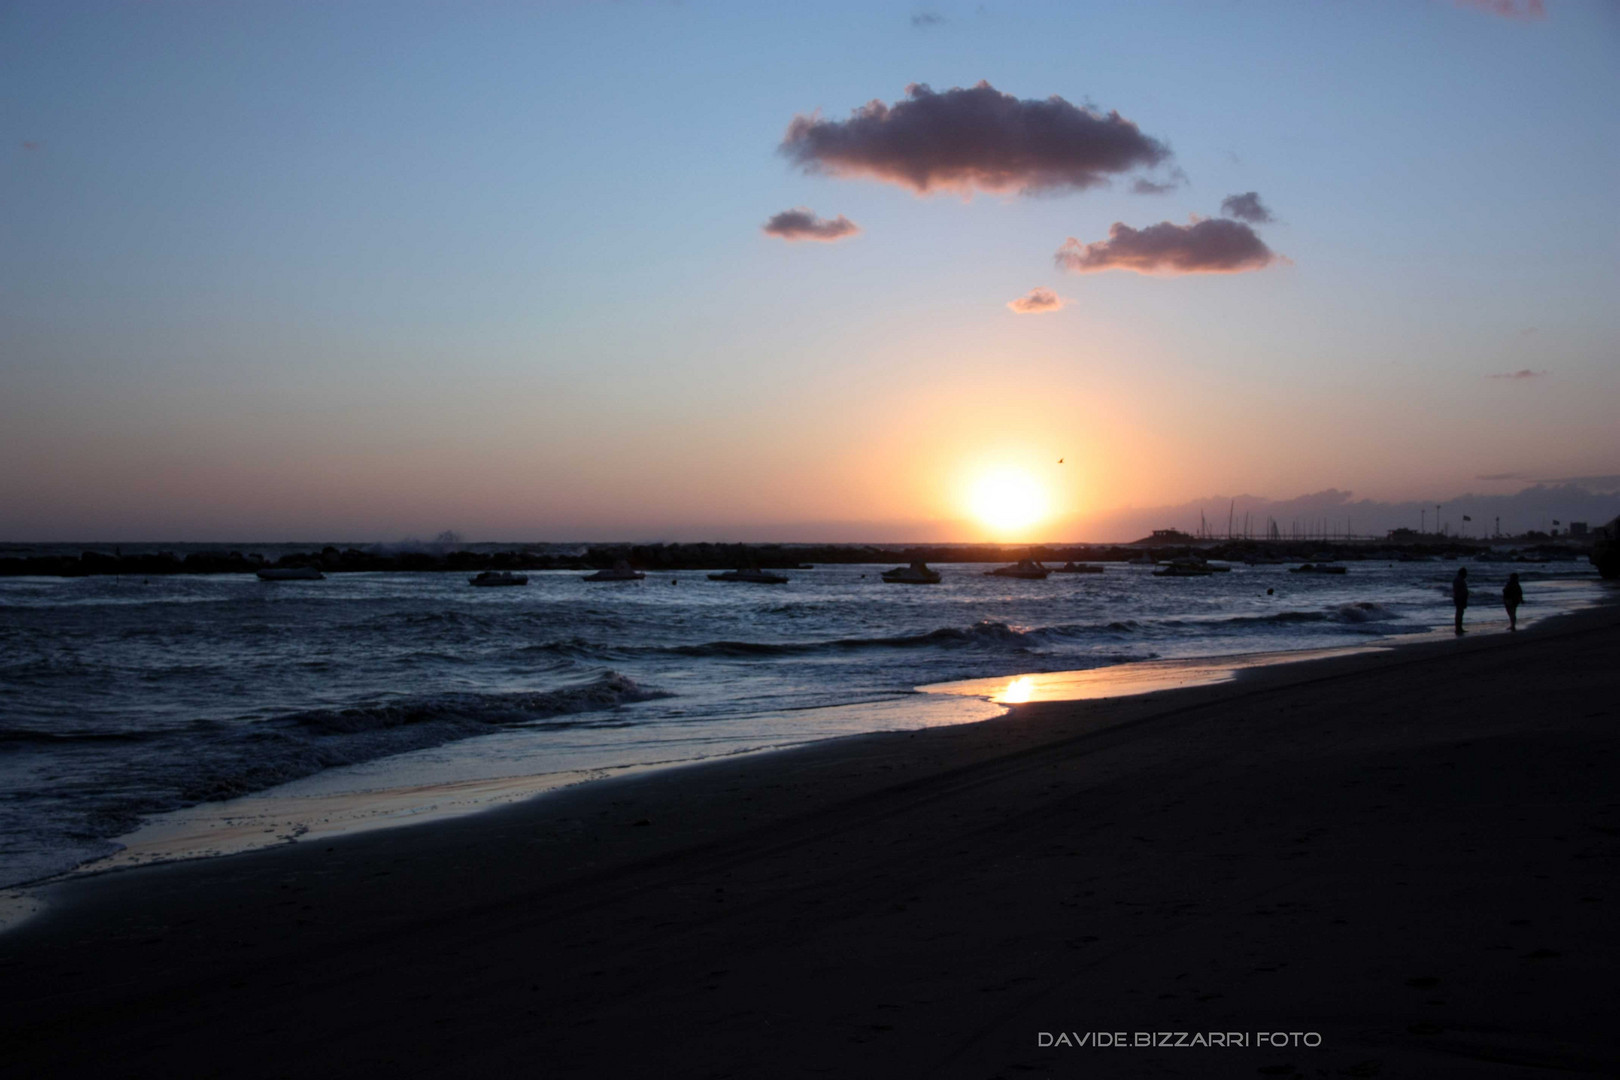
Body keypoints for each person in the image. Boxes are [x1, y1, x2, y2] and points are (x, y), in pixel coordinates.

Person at [1452, 566, 1469, 635]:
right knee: (1459, 613)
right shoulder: (1459, 580)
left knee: (1460, 613)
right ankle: (1458, 628)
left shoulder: (1458, 579)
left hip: (1459, 598)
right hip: (1460, 598)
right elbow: (1458, 591)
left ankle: (1459, 628)